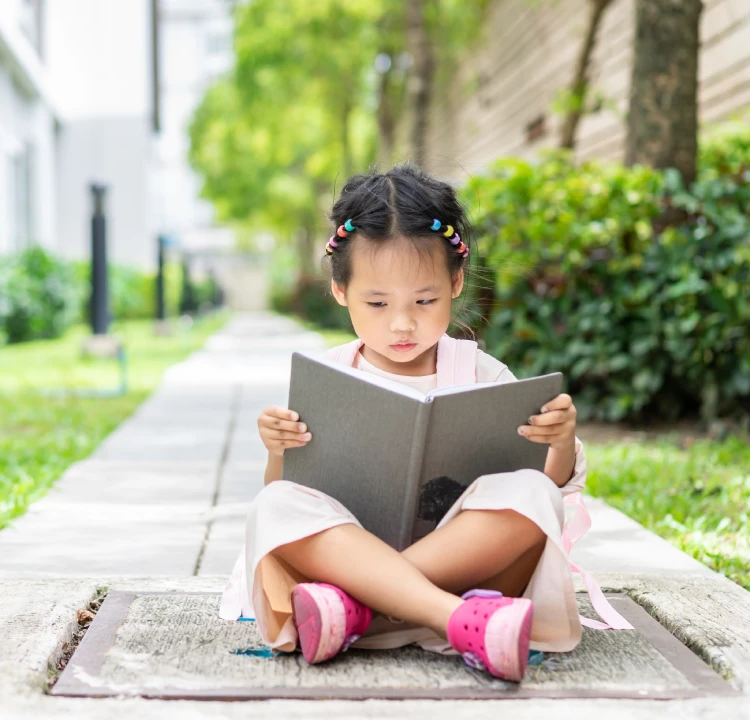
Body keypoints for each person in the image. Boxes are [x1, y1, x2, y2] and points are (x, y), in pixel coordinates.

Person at [218, 165, 628, 683]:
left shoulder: (484, 373)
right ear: (340, 289)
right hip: (412, 581)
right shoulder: (326, 377)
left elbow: (552, 482)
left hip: (458, 571)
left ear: (456, 282)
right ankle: (454, 620)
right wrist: (278, 450)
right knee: (273, 505)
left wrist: (561, 440)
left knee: (532, 494)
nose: (402, 323)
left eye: (425, 301)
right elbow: (289, 494)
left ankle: (362, 608)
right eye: (377, 303)